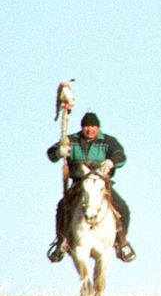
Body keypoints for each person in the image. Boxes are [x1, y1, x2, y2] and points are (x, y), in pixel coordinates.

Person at [46, 112, 136, 262]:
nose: (90, 130)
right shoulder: (71, 140)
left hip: (101, 184)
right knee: (61, 207)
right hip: (79, 184)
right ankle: (60, 242)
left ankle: (121, 242)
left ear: (98, 127)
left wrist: (111, 162)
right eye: (87, 127)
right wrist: (59, 152)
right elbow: (51, 154)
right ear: (82, 128)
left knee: (123, 209)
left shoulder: (108, 141)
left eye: (93, 126)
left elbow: (121, 156)